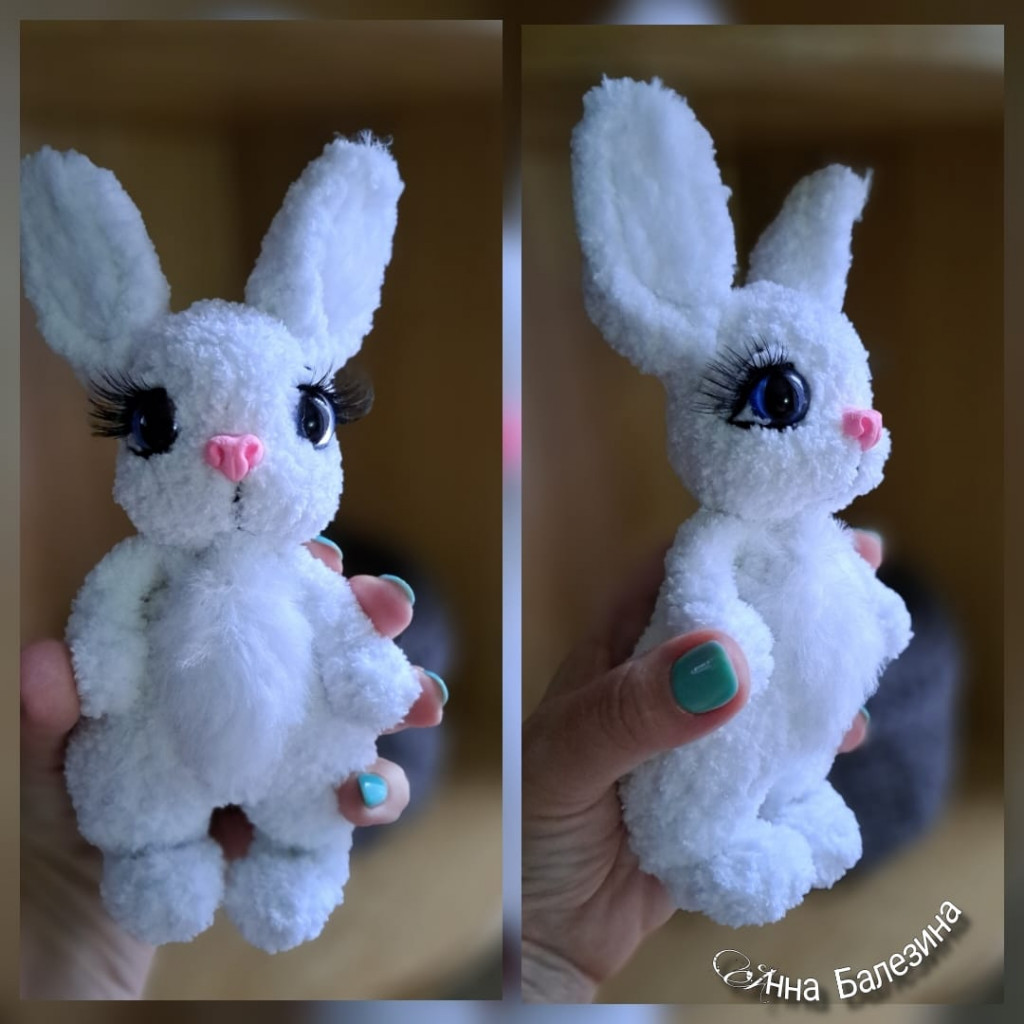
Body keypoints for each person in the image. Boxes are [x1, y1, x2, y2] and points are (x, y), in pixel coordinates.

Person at [20, 538, 446, 1000]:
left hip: (297, 742)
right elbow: (106, 629)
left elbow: (361, 657)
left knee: (367, 769)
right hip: (166, 746)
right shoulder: (152, 564)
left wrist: (376, 679)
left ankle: (296, 863)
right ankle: (162, 861)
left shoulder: (308, 580)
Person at [521, 532, 881, 1002]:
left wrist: (875, 621)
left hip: (784, 740)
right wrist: (541, 950)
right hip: (703, 769)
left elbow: (880, 616)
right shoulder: (717, 540)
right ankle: (716, 852)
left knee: (801, 758)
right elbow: (699, 590)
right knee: (718, 784)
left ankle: (796, 810)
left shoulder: (818, 545)